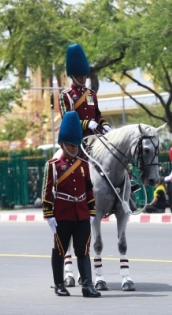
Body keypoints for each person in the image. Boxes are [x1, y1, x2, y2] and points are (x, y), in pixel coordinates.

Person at [41, 111, 101, 298]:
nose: (74, 149)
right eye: (70, 145)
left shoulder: (84, 165)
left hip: (82, 213)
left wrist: (91, 211)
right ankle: (59, 284)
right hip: (62, 214)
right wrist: (49, 215)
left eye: (76, 145)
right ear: (62, 144)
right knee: (60, 249)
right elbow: (47, 192)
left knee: (83, 250)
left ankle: (87, 286)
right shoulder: (53, 165)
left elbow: (89, 190)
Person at [59, 43, 111, 138]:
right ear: (72, 76)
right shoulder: (65, 95)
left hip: (95, 135)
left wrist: (104, 124)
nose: (83, 79)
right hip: (76, 139)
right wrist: (86, 124)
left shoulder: (91, 94)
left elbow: (97, 115)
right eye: (79, 77)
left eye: (84, 76)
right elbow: (67, 120)